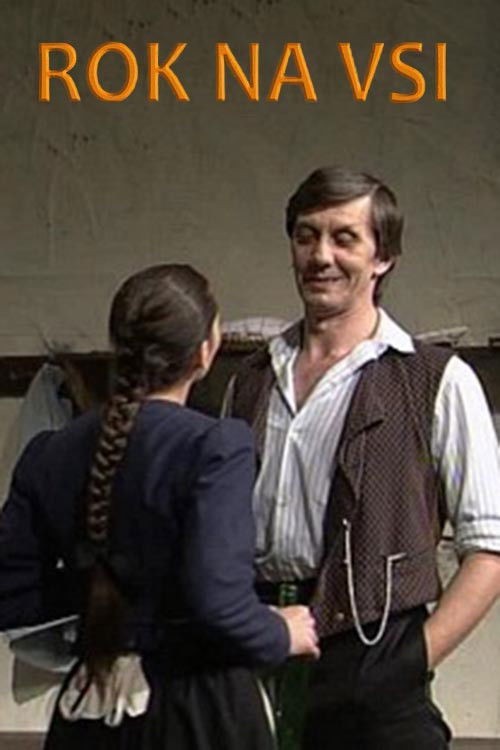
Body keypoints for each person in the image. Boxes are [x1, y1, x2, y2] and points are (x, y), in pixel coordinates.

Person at [225, 166, 500, 749]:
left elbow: (491, 549)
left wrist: (409, 665)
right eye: (306, 236)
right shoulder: (248, 380)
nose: (320, 255)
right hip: (256, 650)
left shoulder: (437, 380)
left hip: (375, 655)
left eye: (344, 238)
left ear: (383, 258)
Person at [0, 263, 319, 750]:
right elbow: (217, 599)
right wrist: (279, 632)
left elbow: (10, 591)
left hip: (90, 707)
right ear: (205, 352)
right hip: (195, 711)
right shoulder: (215, 445)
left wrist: (107, 591)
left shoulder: (50, 452)